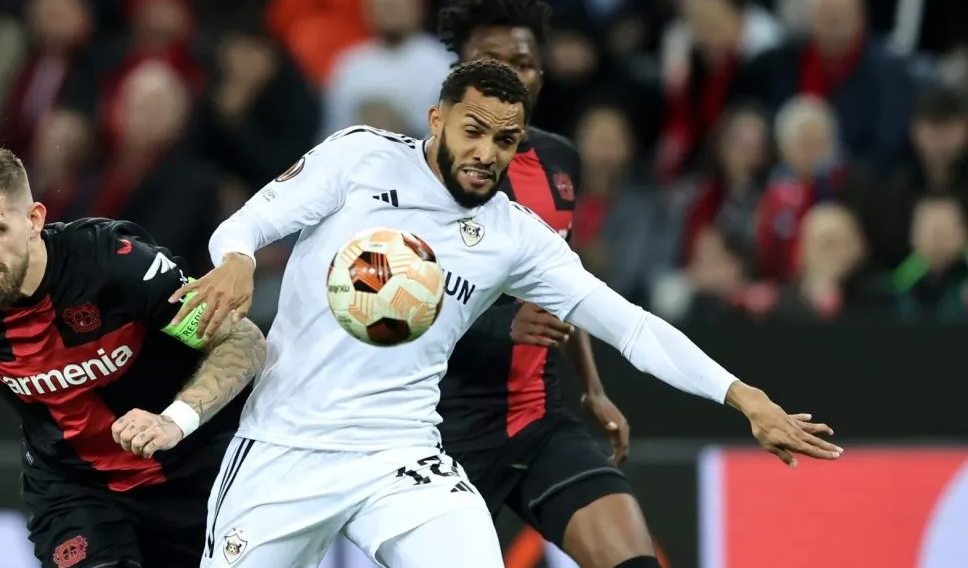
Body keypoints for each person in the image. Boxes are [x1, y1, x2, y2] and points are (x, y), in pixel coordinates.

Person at [174, 59, 842, 568]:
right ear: (437, 121)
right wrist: (235, 258)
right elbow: (247, 223)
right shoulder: (357, 156)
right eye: (473, 131)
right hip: (286, 446)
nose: (487, 153)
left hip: (400, 453)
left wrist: (743, 395)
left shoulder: (515, 235)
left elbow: (631, 325)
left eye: (506, 139)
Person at [0, 147, 266, 568]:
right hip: (76, 492)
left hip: (194, 472)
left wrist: (174, 420)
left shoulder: (113, 265)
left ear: (34, 220)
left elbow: (242, 342)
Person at [433, 0, 657, 567]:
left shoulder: (560, 160)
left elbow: (565, 278)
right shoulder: (423, 169)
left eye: (525, 62)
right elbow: (395, 295)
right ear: (458, 68)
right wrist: (502, 324)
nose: (510, 74)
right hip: (442, 428)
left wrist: (594, 387)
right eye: (491, 58)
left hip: (539, 415)